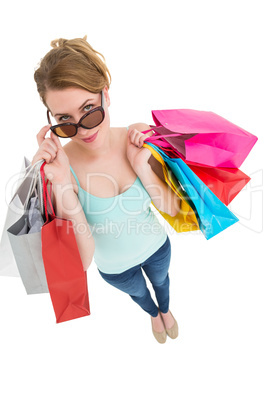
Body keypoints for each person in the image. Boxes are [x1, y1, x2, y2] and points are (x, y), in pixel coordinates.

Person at [31, 36, 179, 343]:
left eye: (89, 109)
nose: (82, 129)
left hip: (157, 247)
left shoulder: (136, 137)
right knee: (139, 295)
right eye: (64, 120)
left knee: (162, 282)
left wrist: (141, 166)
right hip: (115, 270)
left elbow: (173, 209)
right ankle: (153, 313)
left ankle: (165, 308)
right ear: (52, 120)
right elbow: (81, 263)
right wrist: (61, 186)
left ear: (105, 94)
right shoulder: (61, 168)